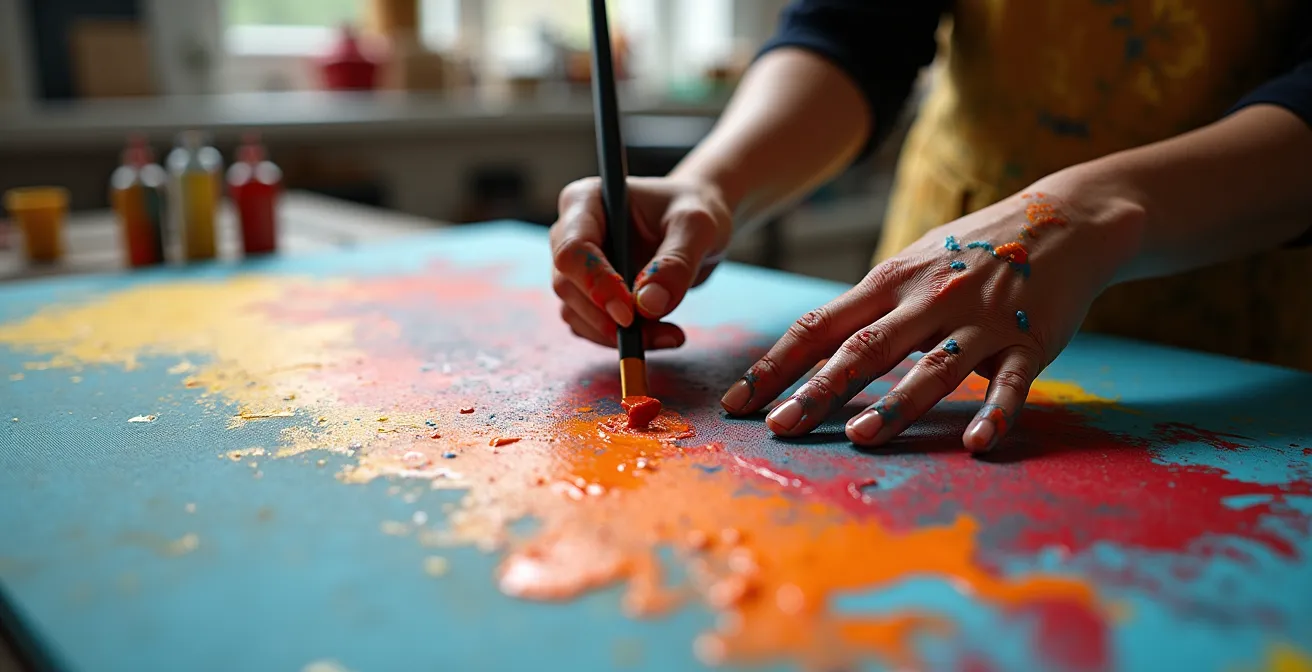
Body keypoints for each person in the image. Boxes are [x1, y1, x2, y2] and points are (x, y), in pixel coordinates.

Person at [548, 1, 1312, 452]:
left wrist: (1088, 213)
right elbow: (856, 31)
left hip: (1248, 271)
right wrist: (710, 184)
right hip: (943, 296)